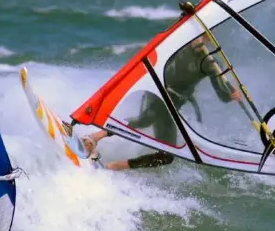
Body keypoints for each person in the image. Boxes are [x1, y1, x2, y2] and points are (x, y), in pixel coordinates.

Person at [82, 35, 242, 170]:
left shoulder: (210, 63)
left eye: (204, 38)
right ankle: (94, 137)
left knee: (166, 157)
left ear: (209, 39)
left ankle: (115, 166)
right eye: (197, 36)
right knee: (145, 119)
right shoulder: (178, 46)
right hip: (158, 93)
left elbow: (223, 95)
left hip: (173, 106)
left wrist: (232, 94)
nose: (199, 41)